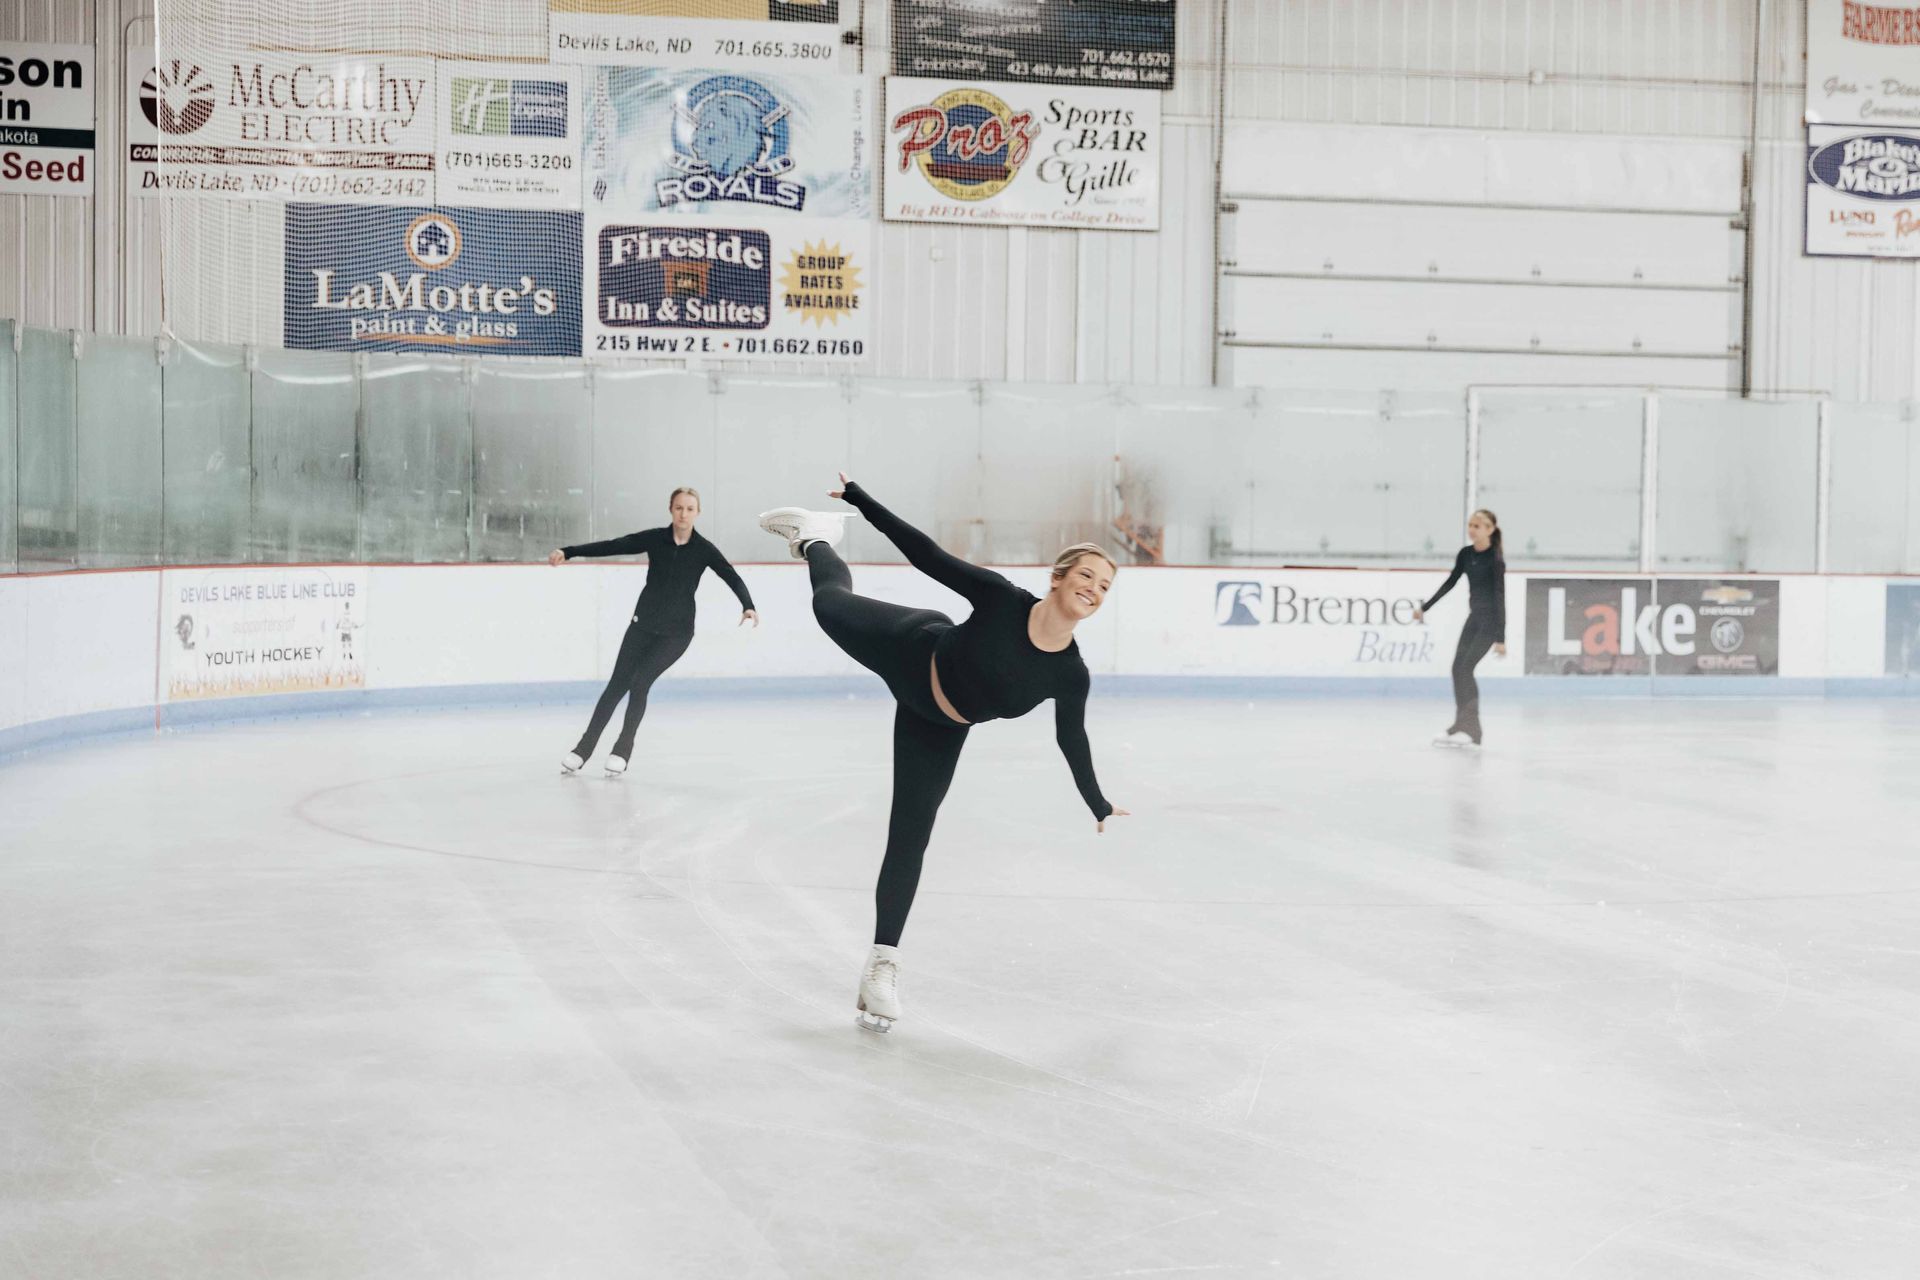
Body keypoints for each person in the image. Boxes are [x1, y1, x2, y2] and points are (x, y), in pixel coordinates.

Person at [759, 475, 1129, 1033]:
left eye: (1104, 586)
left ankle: (881, 967)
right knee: (830, 602)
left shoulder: (1069, 674)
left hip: (937, 724)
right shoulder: (1002, 599)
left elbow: (1070, 739)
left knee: (910, 836)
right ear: (1057, 578)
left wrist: (1097, 802)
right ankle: (816, 538)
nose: (1094, 590)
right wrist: (862, 500)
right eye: (1086, 576)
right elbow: (926, 555)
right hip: (911, 647)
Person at [548, 487, 756, 775]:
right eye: (679, 508)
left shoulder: (704, 549)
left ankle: (622, 749)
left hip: (677, 634)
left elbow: (730, 575)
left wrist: (748, 605)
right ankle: (582, 749)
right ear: (671, 509)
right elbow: (613, 545)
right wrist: (569, 552)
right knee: (617, 685)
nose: (684, 514)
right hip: (643, 625)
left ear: (698, 513)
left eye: (690, 509)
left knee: (641, 681)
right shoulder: (656, 539)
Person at [1414, 509, 1506, 748]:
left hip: (1489, 623)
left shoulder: (1495, 559)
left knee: (1466, 669)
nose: (1472, 529)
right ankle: (1460, 725)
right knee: (1457, 669)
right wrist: (1426, 607)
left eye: (1477, 526)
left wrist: (1501, 637)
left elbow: (1499, 597)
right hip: (1474, 619)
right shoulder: (1466, 554)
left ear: (1489, 529)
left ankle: (1474, 731)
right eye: (1470, 525)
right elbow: (1451, 582)